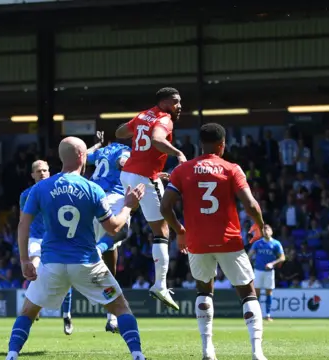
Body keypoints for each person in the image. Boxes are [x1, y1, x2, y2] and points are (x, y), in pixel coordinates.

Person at [6, 137, 147, 360]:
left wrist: (25, 260)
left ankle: (12, 354)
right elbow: (113, 228)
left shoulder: (40, 188)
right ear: (83, 157)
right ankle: (138, 354)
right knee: (121, 308)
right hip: (88, 265)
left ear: (61, 158)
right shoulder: (93, 189)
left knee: (28, 312)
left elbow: (23, 225)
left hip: (51, 266)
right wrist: (129, 206)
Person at [161, 123, 268, 360]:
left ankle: (207, 350)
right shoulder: (231, 168)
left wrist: (180, 231)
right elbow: (250, 204)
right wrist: (259, 227)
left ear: (201, 144)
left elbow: (165, 206)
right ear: (222, 145)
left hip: (197, 242)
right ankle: (256, 352)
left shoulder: (182, 170)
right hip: (228, 241)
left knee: (204, 290)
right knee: (248, 293)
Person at [115, 87, 185, 310]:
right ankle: (160, 286)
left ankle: (110, 238)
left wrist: (138, 125)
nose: (179, 106)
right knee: (163, 230)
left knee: (123, 218)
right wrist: (178, 153)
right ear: (164, 103)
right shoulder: (165, 118)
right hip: (145, 178)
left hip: (126, 174)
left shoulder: (143, 115)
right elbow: (156, 140)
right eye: (175, 102)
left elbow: (119, 133)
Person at [19, 160, 76, 333]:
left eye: (45, 170)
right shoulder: (26, 195)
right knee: (34, 267)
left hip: (56, 237)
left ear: (49, 172)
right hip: (36, 238)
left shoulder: (58, 190)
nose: (42, 173)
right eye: (38, 171)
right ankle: (34, 307)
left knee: (67, 275)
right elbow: (24, 221)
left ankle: (66, 315)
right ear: (32, 175)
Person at [87, 131, 133, 333]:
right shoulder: (126, 151)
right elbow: (124, 162)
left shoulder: (103, 150)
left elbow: (83, 155)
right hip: (113, 198)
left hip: (93, 199)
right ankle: (97, 249)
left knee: (110, 258)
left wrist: (97, 145)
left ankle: (111, 317)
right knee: (123, 230)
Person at [248, 224, 285, 322]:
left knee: (269, 292)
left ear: (271, 231)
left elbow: (282, 257)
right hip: (258, 270)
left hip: (269, 271)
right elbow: (250, 255)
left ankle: (268, 314)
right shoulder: (257, 243)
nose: (266, 231)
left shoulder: (276, 243)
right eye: (264, 230)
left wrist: (273, 263)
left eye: (268, 229)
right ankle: (257, 314)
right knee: (257, 293)